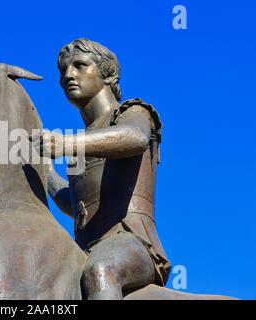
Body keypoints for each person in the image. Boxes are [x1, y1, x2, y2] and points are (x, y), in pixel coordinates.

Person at [33, 38, 171, 299]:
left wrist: (66, 144)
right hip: (84, 247)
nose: (67, 76)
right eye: (63, 70)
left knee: (101, 269)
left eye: (79, 66)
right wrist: (47, 173)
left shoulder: (132, 112)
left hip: (131, 240)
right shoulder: (82, 145)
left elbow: (134, 138)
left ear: (109, 74)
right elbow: (75, 206)